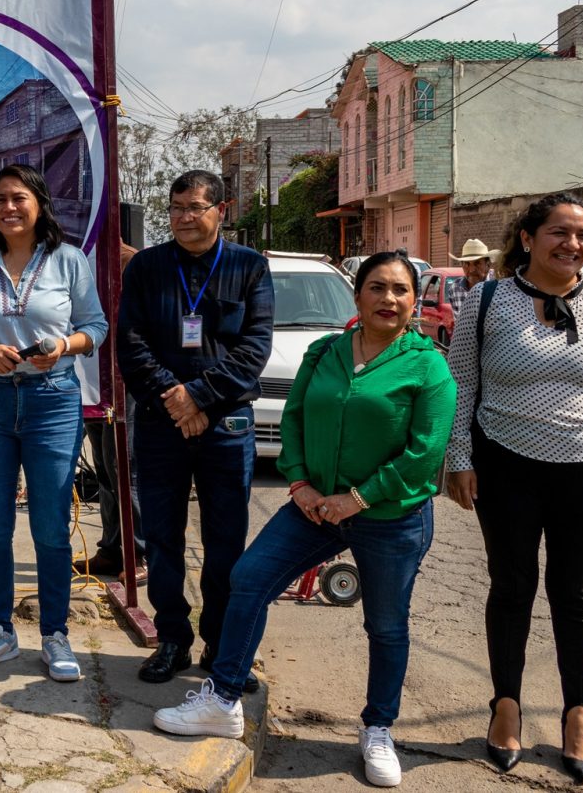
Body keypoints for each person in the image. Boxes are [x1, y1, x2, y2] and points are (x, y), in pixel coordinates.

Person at [153, 252, 454, 787]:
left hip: (389, 516)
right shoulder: (324, 353)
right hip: (313, 507)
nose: (389, 299)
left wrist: (355, 499)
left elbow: (425, 452)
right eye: (378, 288)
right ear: (356, 295)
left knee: (385, 627)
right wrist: (300, 484)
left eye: (401, 290)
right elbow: (293, 422)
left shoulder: (428, 364)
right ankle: (223, 700)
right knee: (249, 579)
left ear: (415, 302)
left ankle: (378, 728)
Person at [444, 193, 583, 785]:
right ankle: (505, 704)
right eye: (560, 232)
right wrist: (459, 458)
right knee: (511, 587)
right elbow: (462, 382)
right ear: (528, 238)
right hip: (506, 464)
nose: (574, 245)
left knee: (574, 593)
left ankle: (578, 715)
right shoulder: (486, 300)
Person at [0, 163, 107, 682]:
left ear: (39, 203)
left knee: (51, 526)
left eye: (19, 198)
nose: (9, 208)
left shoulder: (69, 260)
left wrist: (64, 345)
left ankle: (55, 634)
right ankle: (0, 631)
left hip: (52, 401)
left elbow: (94, 326)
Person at [117, 170, 272, 688]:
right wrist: (177, 399)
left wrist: (200, 396)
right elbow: (131, 343)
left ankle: (221, 646)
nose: (184, 217)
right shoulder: (147, 268)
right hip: (162, 423)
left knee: (226, 539)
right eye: (176, 207)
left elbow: (254, 349)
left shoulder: (250, 267)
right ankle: (173, 641)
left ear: (221, 210)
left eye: (195, 207)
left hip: (226, 423)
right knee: (162, 538)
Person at [75, 240, 145, 579]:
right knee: (103, 465)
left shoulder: (128, 261)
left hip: (123, 376)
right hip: (90, 375)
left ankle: (140, 553)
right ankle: (112, 548)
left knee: (125, 464)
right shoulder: (76, 259)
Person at [446, 238, 497, 315]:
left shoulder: (499, 285)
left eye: (477, 263)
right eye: (467, 264)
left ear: (488, 265)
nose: (471, 270)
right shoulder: (455, 289)